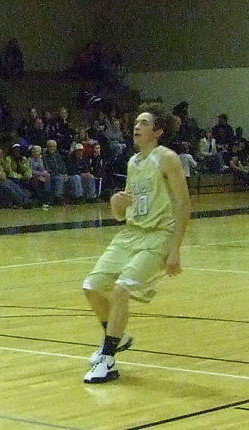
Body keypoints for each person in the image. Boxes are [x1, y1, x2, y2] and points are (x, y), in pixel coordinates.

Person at [80, 106, 189, 384]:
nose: (136, 127)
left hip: (158, 235)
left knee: (121, 289)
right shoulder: (133, 162)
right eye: (136, 122)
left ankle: (107, 359)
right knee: (91, 286)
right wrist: (115, 203)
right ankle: (118, 336)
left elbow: (184, 204)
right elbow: (122, 213)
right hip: (131, 234)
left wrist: (175, 249)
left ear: (158, 131)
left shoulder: (167, 158)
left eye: (144, 123)